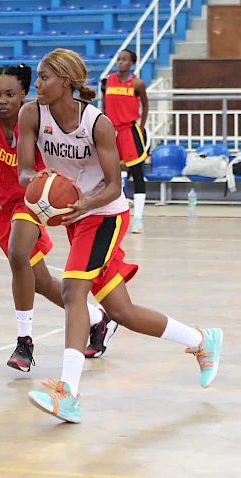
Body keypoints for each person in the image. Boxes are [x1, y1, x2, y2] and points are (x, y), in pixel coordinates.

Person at [18, 48, 223, 423]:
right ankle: (201, 340)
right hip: (75, 217)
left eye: (44, 77)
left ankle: (69, 393)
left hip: (105, 215)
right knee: (120, 311)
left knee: (72, 291)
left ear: (65, 81)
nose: (37, 85)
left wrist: (85, 203)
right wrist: (40, 189)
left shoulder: (97, 124)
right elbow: (25, 171)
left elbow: (115, 186)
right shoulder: (32, 113)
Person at [0, 64, 117, 373]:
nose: (2, 101)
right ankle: (96, 318)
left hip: (34, 200)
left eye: (10, 94)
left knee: (18, 254)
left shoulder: (37, 116)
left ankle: (24, 342)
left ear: (24, 93)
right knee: (38, 280)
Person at [101, 49, 149, 234]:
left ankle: (138, 218)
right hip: (111, 131)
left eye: (124, 59)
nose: (120, 62)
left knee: (137, 173)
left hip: (130, 130)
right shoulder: (107, 82)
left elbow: (145, 105)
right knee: (109, 173)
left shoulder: (137, 84)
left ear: (131, 63)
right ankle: (113, 214)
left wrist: (142, 127)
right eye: (118, 59)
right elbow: (104, 108)